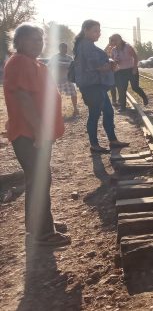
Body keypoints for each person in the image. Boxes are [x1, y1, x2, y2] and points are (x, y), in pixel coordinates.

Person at [3, 23, 70, 246]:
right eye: (32, 39)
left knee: (37, 179)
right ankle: (43, 232)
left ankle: (40, 224)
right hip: (29, 133)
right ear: (19, 42)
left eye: (40, 39)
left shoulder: (32, 62)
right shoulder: (21, 61)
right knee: (40, 179)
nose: (38, 43)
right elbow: (23, 98)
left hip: (31, 132)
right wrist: (40, 130)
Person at [72, 20, 129, 153]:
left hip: (97, 86)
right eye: (95, 31)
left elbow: (98, 62)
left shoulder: (88, 44)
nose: (99, 34)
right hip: (92, 86)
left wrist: (109, 62)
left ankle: (113, 140)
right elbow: (95, 65)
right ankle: (94, 145)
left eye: (99, 31)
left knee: (108, 112)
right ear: (86, 30)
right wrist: (111, 65)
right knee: (94, 114)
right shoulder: (85, 45)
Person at [108, 34, 148, 111]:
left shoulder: (127, 47)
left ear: (120, 39)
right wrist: (115, 63)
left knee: (135, 87)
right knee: (121, 89)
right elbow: (112, 61)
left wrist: (135, 68)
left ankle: (144, 97)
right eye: (112, 40)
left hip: (131, 70)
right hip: (121, 71)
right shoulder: (113, 50)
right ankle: (123, 107)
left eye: (115, 40)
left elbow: (135, 57)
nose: (113, 42)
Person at [49, 43, 79, 117]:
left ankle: (75, 109)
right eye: (62, 48)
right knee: (55, 97)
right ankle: (56, 112)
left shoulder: (70, 58)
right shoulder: (55, 57)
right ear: (59, 48)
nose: (64, 49)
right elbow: (49, 66)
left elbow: (74, 68)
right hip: (57, 80)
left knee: (73, 93)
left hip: (67, 80)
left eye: (65, 48)